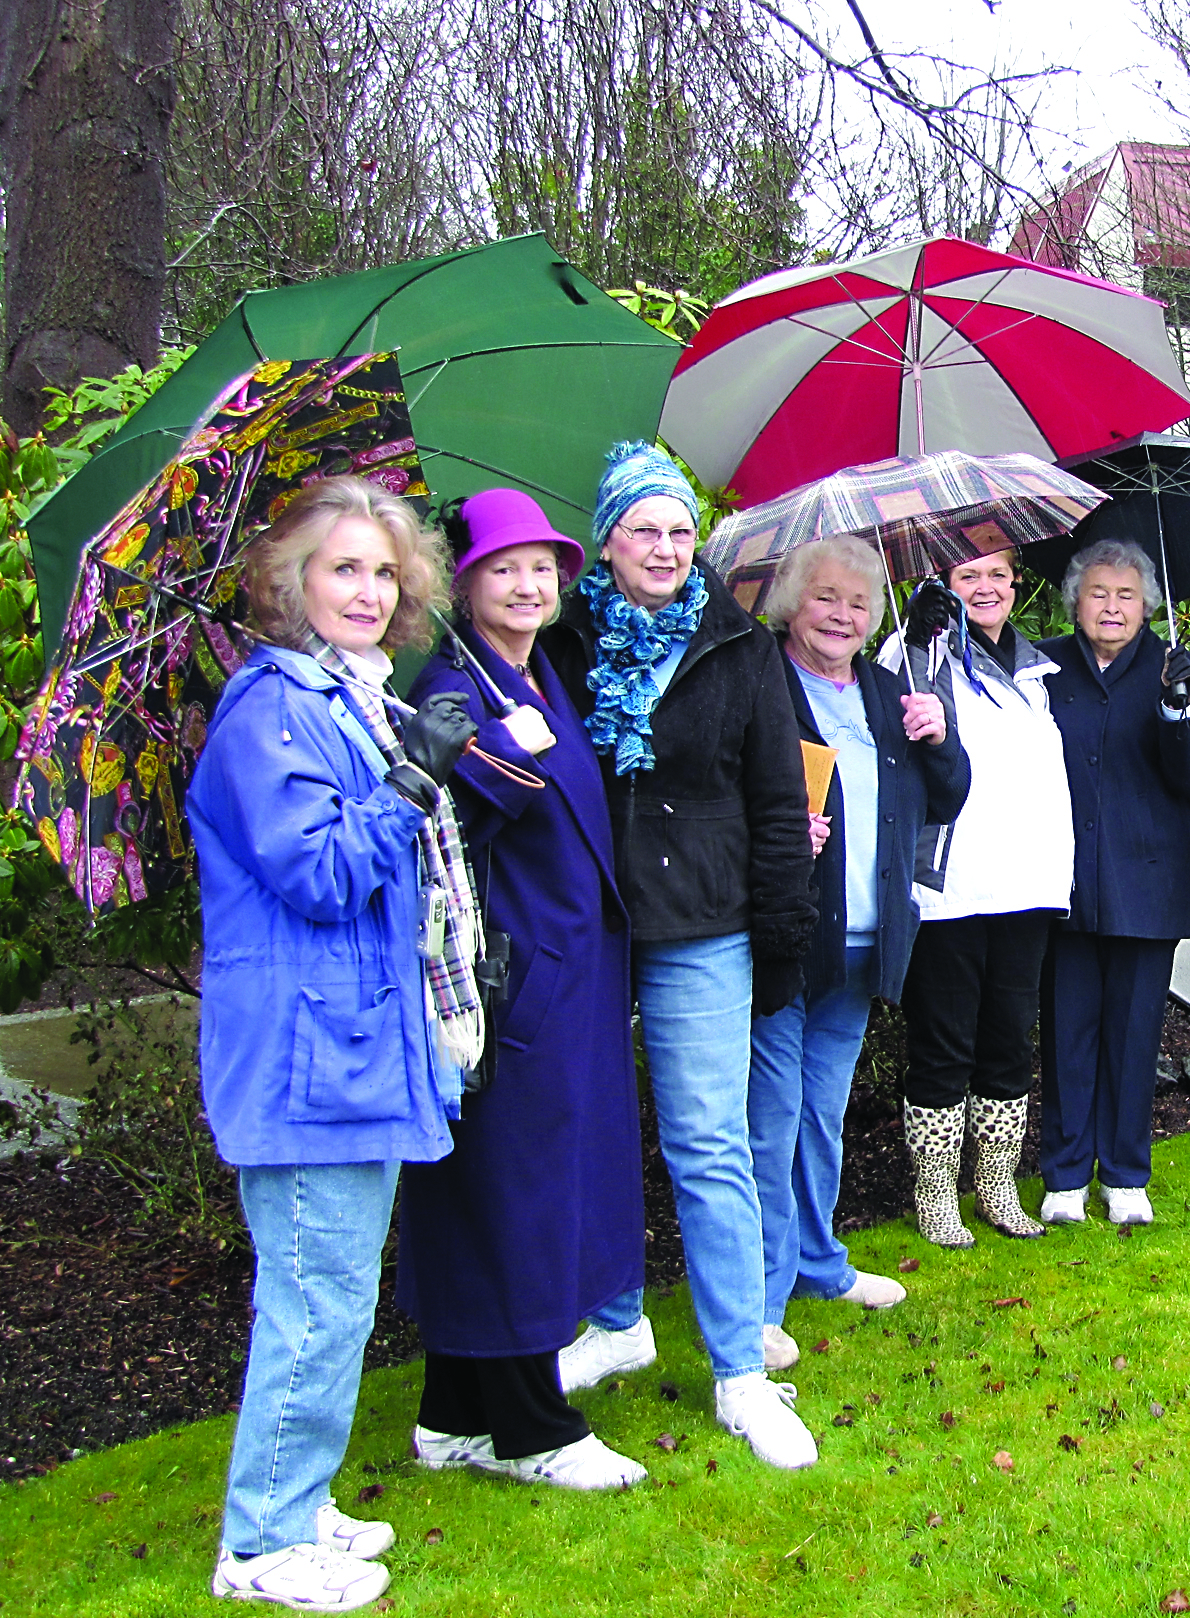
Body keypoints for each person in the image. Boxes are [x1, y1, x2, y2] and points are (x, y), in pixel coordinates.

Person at [190, 476, 477, 1610]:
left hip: (348, 1044)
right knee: (315, 1299)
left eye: (382, 569)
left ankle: (297, 1500)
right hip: (308, 1055)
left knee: (335, 1293)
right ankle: (260, 1542)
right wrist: (411, 784)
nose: (368, 589)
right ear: (290, 582)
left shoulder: (351, 699)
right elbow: (317, 872)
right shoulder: (271, 709)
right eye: (341, 567)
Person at [539, 442, 821, 1469]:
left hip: (706, 925)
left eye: (677, 530)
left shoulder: (737, 645)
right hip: (597, 922)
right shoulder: (560, 646)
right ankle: (617, 1320)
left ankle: (742, 1371)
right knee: (594, 1135)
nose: (663, 547)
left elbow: (779, 806)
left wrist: (781, 936)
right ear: (604, 543)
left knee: (708, 1143)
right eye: (642, 529)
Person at [397, 488, 647, 1488]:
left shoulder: (538, 670)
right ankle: (533, 1427)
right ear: (463, 584)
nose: (529, 582)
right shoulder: (453, 689)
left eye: (543, 566)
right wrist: (495, 745)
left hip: (569, 983)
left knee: (520, 1189)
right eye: (504, 568)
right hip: (513, 989)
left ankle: (452, 1411)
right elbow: (494, 794)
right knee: (513, 1199)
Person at [748, 536, 970, 1370]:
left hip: (866, 938)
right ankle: (762, 1299)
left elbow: (945, 797)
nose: (841, 615)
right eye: (825, 597)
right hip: (789, 936)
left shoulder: (889, 689)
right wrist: (772, 834)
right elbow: (720, 790)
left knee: (820, 1112)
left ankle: (817, 1264)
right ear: (790, 604)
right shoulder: (761, 682)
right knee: (772, 1120)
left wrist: (939, 737)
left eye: (857, 603)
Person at [882, 549, 1073, 1247]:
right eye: (968, 576)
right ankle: (935, 1194)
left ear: (1016, 583)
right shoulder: (915, 652)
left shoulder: (1036, 671)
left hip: (1025, 885)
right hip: (950, 887)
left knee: (1006, 1042)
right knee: (943, 1044)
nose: (984, 588)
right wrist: (913, 637)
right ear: (943, 588)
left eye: (996, 574)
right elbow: (891, 722)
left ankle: (995, 1184)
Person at [1036, 539, 1190, 1227]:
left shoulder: (1174, 669)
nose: (1111, 607)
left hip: (1147, 884)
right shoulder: (1044, 666)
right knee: (1067, 1032)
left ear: (1147, 605)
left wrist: (1179, 712)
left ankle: (1123, 1174)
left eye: (1125, 595)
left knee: (1134, 1034)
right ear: (1075, 601)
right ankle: (1062, 1176)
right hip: (1065, 885)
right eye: (1097, 593)